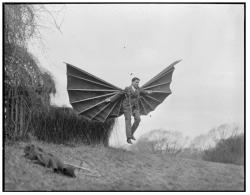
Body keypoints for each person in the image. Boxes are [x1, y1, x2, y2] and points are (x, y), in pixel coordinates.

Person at [105, 77, 153, 144]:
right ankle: (128, 138)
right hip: (127, 106)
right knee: (128, 121)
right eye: (136, 82)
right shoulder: (127, 89)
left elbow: (144, 92)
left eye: (138, 82)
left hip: (135, 107)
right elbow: (119, 94)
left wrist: (149, 92)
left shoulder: (139, 89)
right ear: (132, 82)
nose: (137, 84)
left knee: (138, 119)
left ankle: (131, 134)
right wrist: (110, 99)